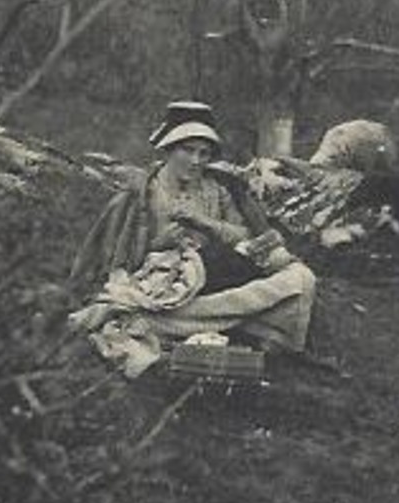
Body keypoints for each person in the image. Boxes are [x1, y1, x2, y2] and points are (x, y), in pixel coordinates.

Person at [70, 101, 318, 362]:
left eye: (204, 153)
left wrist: (206, 223)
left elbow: (246, 236)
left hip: (216, 278)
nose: (196, 161)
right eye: (187, 151)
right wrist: (158, 244)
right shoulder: (143, 194)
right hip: (166, 287)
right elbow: (116, 263)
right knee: (130, 309)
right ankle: (215, 322)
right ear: (168, 150)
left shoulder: (218, 190)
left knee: (300, 278)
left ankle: (218, 320)